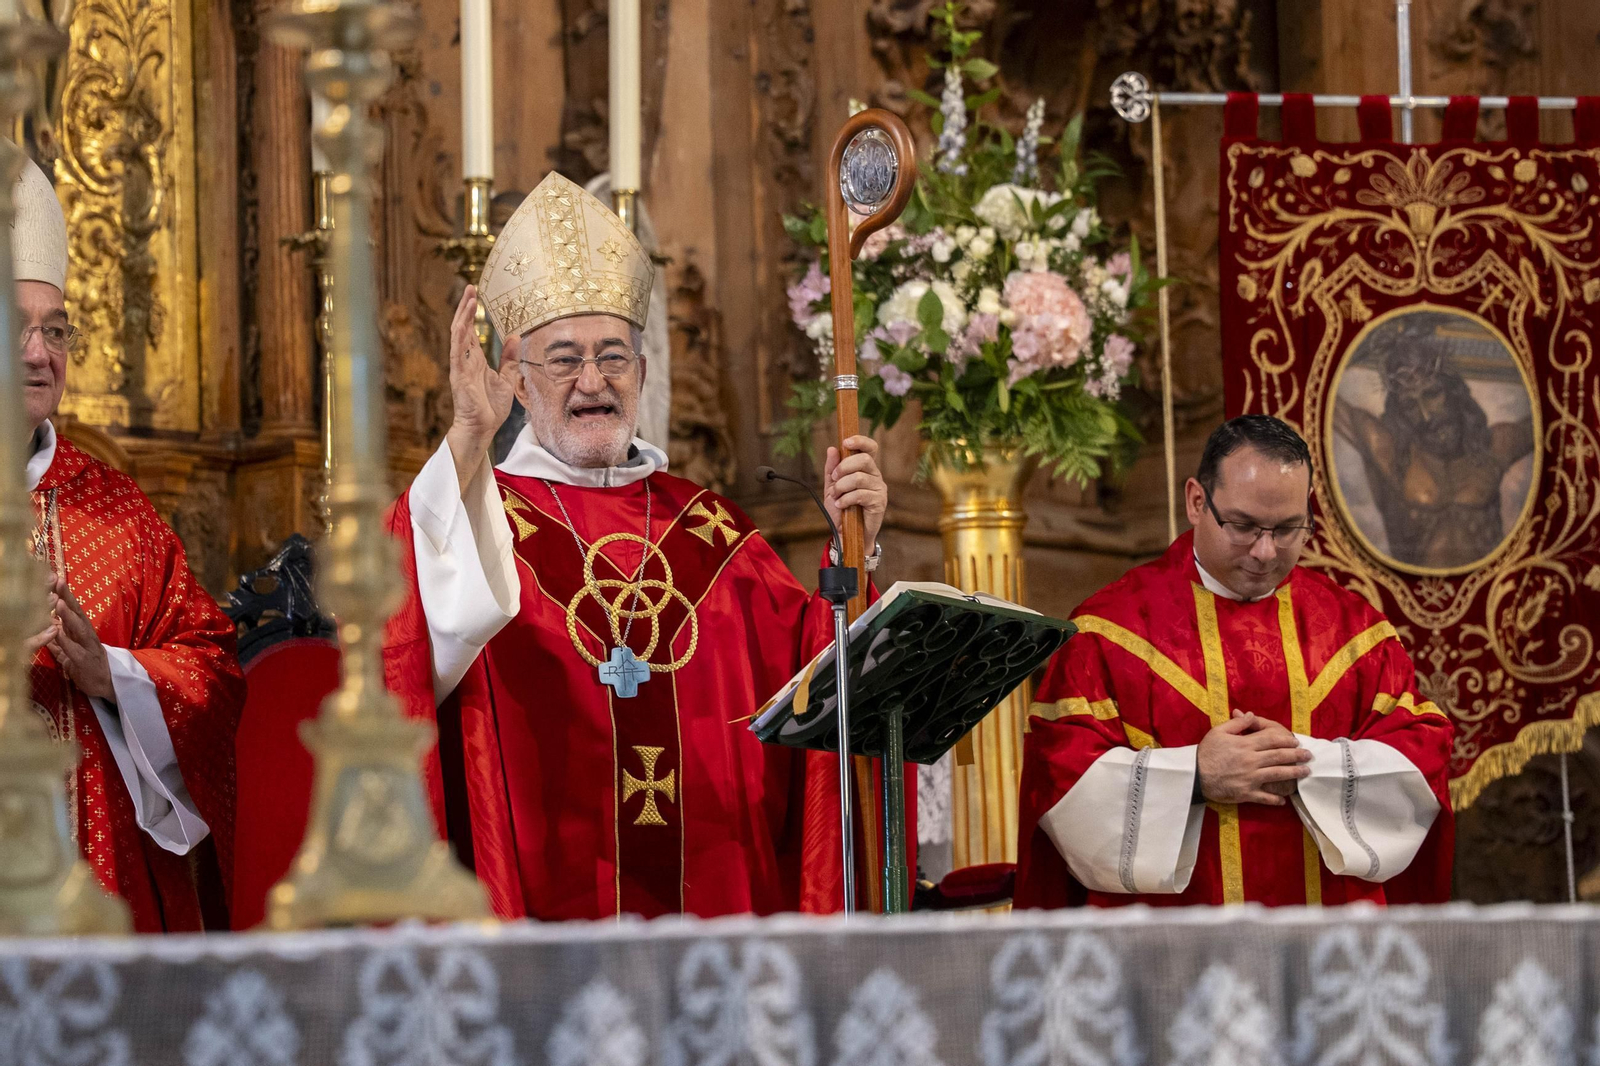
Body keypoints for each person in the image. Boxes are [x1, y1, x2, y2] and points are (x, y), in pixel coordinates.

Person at [382, 172, 894, 920]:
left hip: (713, 905)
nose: (593, 381)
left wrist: (856, 555)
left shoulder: (713, 527)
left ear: (644, 374)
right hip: (546, 905)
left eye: (613, 356)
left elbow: (819, 685)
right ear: (517, 382)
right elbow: (405, 633)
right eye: (563, 359)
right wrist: (467, 437)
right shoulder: (480, 513)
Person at [1015, 414, 1453, 908]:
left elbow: (1420, 757)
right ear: (1196, 502)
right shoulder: (1109, 632)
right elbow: (1060, 778)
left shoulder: (1356, 634)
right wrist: (1195, 777)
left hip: (1327, 945)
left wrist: (1310, 767)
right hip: (1175, 950)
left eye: (1288, 529)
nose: (1265, 552)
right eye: (1243, 526)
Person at [10, 147, 245, 932]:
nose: (40, 354)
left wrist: (108, 672)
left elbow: (210, 668)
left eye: (57, 330)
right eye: (16, 328)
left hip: (97, 898)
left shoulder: (111, 504)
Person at [1334, 341, 1534, 570]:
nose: (1426, 416)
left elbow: (1556, 419)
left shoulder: (1494, 445)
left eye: (1432, 394)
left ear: (1453, 391)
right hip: (1408, 598)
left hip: (1486, 597)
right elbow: (1319, 398)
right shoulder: (1391, 453)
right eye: (1410, 405)